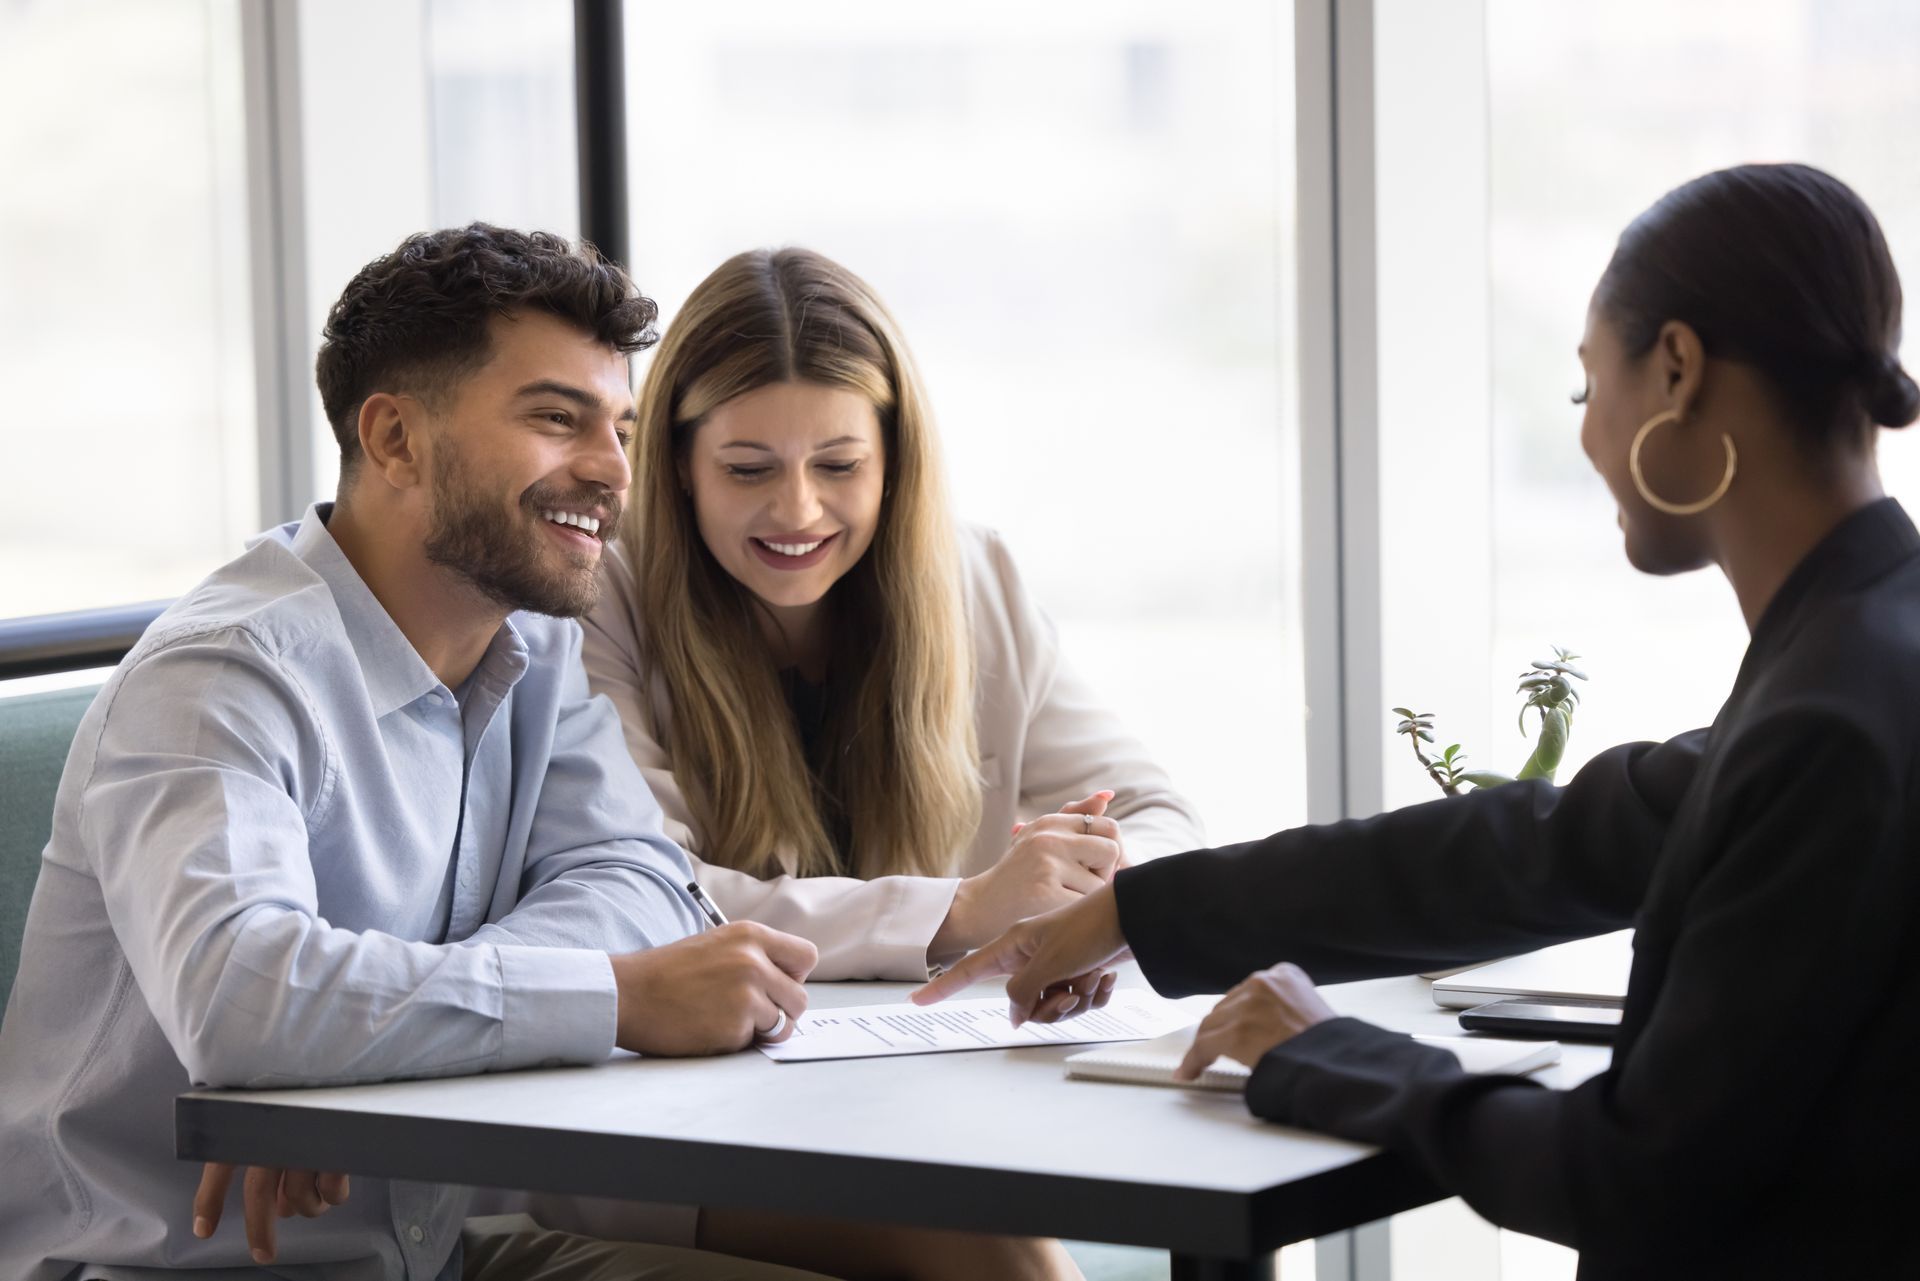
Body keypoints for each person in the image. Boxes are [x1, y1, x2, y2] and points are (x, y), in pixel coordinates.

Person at [917, 162, 1920, 1278]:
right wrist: (1137, 911)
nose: (1589, 440)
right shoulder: (1862, 651)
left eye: (1590, 389)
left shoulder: (1826, 722)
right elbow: (1535, 847)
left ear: (1677, 369)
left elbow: (1639, 1181)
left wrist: (1331, 1055)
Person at [0, 224, 831, 1281]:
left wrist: (349, 1078)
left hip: (431, 1249)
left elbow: (640, 877)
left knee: (957, 1247)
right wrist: (619, 998)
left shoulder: (531, 638)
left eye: (619, 427)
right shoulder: (221, 676)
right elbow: (245, 999)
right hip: (168, 1270)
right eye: (556, 419)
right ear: (393, 439)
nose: (612, 470)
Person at [581, 246, 1206, 981]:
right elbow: (650, 892)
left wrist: (1094, 894)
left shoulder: (979, 576)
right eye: (748, 469)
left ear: (893, 462)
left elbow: (1160, 814)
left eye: (840, 465)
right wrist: (964, 910)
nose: (797, 510)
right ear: (680, 464)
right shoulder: (603, 596)